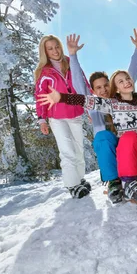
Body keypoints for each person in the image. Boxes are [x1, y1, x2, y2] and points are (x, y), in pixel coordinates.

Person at [38, 69, 137, 202]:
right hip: (131, 153)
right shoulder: (111, 104)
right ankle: (128, 183)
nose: (126, 82)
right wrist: (61, 97)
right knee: (129, 137)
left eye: (127, 79)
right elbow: (86, 100)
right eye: (120, 81)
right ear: (116, 89)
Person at [66, 29, 137, 203]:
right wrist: (73, 56)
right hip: (118, 150)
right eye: (98, 88)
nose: (103, 90)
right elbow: (78, 85)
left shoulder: (119, 99)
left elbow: (131, 75)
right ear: (93, 91)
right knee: (102, 137)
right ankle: (114, 182)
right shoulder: (95, 107)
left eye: (106, 85)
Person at [34, 35, 92, 199]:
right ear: (45, 52)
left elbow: (84, 85)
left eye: (56, 46)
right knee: (67, 150)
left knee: (78, 149)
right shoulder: (44, 72)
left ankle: (79, 179)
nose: (55, 51)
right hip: (56, 116)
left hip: (75, 113)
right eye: (50, 48)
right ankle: (72, 185)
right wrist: (42, 119)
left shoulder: (70, 63)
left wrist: (90, 110)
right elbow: (40, 96)